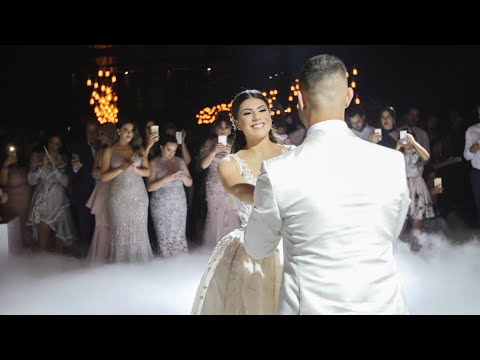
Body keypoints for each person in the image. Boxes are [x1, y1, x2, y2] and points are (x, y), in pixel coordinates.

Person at [244, 54, 410, 315]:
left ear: (300, 100)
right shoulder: (392, 163)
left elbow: (256, 246)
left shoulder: (278, 172)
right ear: (348, 96)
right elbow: (391, 232)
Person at [191, 89, 294, 315]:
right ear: (236, 122)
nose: (257, 117)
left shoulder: (294, 154)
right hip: (254, 253)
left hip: (295, 247)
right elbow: (240, 189)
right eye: (248, 113)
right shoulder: (229, 163)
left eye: (262, 110)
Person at [101, 119, 155, 263]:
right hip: (119, 198)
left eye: (131, 130)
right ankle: (121, 270)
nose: (129, 133)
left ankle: (141, 268)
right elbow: (103, 176)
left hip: (139, 197)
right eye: (126, 129)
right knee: (120, 233)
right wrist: (120, 168)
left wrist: (135, 169)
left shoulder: (139, 149)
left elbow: (148, 172)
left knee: (140, 232)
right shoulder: (109, 150)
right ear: (118, 131)